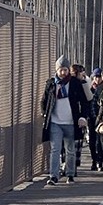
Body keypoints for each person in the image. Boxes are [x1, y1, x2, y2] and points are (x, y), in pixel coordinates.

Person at [40, 54, 90, 185]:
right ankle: (53, 176)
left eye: (65, 70)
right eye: (60, 70)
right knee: (55, 149)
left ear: (69, 70)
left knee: (70, 149)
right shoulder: (51, 84)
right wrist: (44, 114)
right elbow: (44, 101)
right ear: (56, 70)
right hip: (55, 122)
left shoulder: (75, 83)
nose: (63, 73)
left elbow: (84, 101)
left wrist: (82, 117)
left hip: (71, 122)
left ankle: (70, 174)